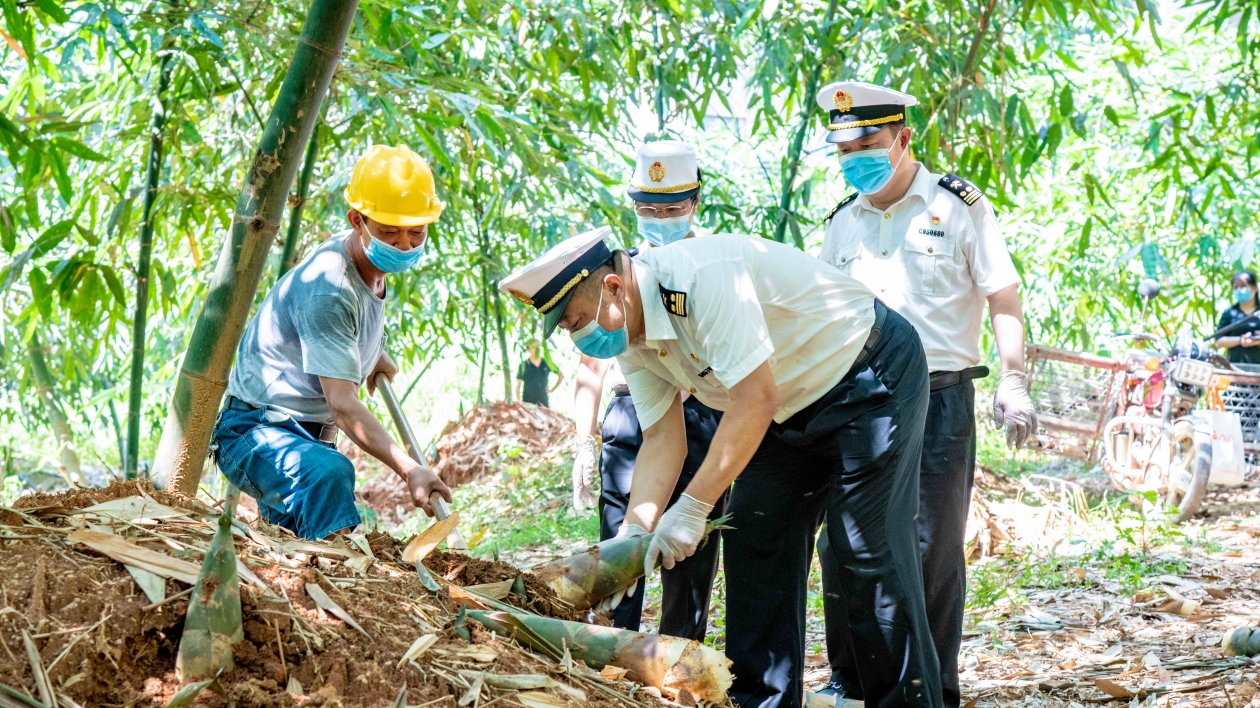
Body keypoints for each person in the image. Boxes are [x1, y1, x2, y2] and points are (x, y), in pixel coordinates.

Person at [500, 228, 940, 708]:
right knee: (755, 544)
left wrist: (693, 507)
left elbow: (755, 396)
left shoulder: (700, 280)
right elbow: (662, 438)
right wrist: (632, 536)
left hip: (864, 376)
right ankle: (762, 702)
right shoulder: (631, 336)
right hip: (782, 409)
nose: (576, 337)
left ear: (612, 288)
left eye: (575, 321)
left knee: (867, 552)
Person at [812, 82, 1037, 708]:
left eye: (867, 146)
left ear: (903, 138)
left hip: (939, 401)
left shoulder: (957, 206)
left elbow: (1003, 296)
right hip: (858, 400)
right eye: (844, 150)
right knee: (843, 543)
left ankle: (934, 687)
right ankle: (851, 681)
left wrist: (1013, 380)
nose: (854, 159)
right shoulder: (842, 222)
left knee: (930, 548)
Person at [210, 144, 452, 540]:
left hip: (302, 436)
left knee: (295, 545)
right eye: (390, 232)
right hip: (256, 431)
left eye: (416, 232)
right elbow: (342, 405)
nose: (405, 245)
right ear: (357, 220)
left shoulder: (367, 262)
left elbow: (337, 330)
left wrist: (371, 352)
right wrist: (410, 469)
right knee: (330, 475)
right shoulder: (330, 287)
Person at [568, 141, 726, 640]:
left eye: (671, 209)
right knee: (621, 541)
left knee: (689, 547)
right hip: (630, 411)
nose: (659, 219)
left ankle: (679, 652)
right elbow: (591, 365)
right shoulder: (617, 276)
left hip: (701, 412)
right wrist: (583, 439)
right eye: (648, 209)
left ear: (694, 202)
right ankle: (612, 649)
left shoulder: (715, 269)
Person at [1214, 271, 1260, 366]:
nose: (1239, 290)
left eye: (1243, 286)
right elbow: (1218, 342)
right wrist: (1240, 340)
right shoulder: (1229, 313)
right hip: (1236, 367)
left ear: (1255, 288)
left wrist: (1256, 341)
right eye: (1236, 287)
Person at [516, 340, 562, 406]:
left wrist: (552, 389)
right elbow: (518, 385)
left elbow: (560, 375)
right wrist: (519, 402)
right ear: (528, 349)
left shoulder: (547, 363)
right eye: (533, 347)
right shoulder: (523, 365)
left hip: (543, 401)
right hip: (527, 402)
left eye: (537, 346)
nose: (536, 349)